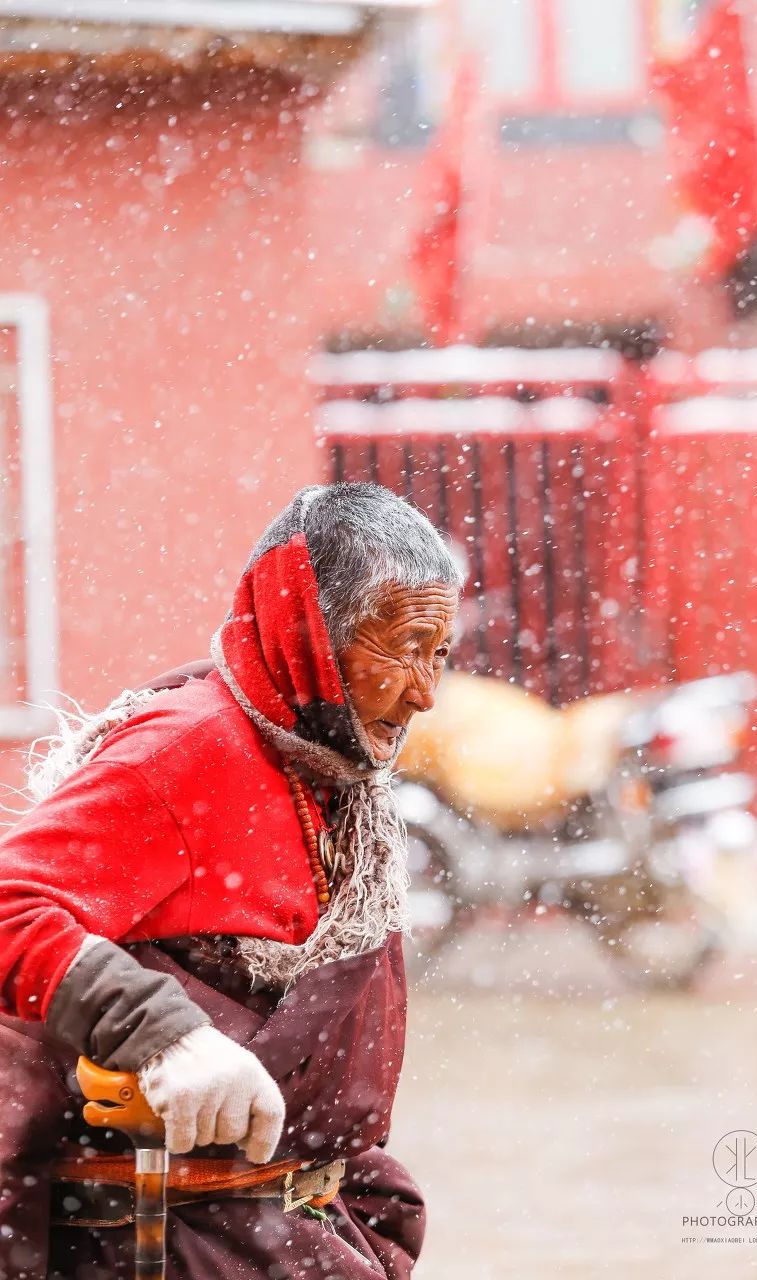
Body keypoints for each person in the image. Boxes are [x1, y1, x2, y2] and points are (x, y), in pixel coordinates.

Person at [0, 482, 461, 1279]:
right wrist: (165, 1035)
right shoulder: (189, 747)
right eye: (406, 646)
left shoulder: (326, 772)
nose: (424, 692)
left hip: (287, 1230)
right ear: (310, 630)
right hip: (165, 1240)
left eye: (440, 653)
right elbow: (11, 905)